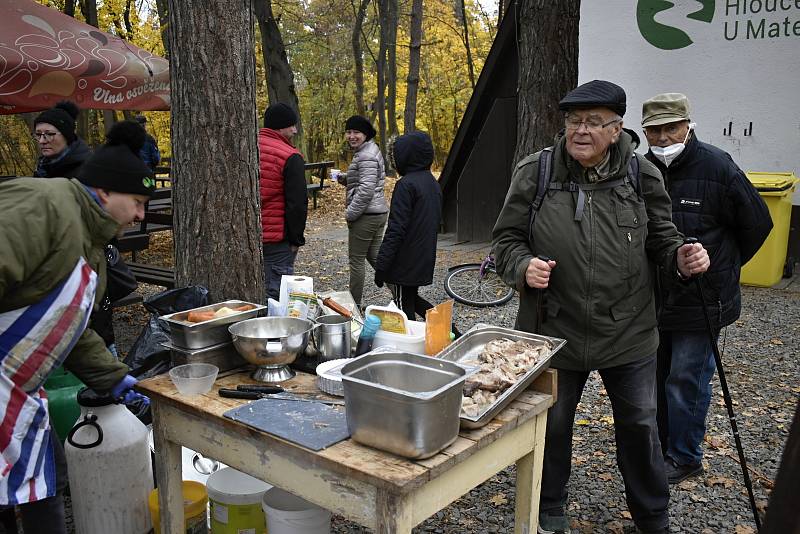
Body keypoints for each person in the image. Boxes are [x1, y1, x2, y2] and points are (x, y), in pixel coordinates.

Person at [492, 80, 710, 534]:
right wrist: (522, 266)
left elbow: (662, 240)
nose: (581, 131)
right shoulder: (537, 172)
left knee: (640, 425)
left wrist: (681, 259)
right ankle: (548, 506)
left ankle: (652, 517)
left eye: (593, 122)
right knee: (550, 424)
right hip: (553, 330)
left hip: (628, 330)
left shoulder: (641, 175)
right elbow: (505, 240)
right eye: (574, 121)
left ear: (617, 129)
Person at [0, 133, 155, 532]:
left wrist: (115, 377)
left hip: (17, 393)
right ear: (104, 191)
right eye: (137, 203)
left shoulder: (91, 239)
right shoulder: (43, 207)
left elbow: (65, 324)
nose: (140, 216)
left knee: (43, 484)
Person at [641, 93, 772, 484]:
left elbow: (757, 224)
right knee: (656, 376)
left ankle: (684, 456)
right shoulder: (642, 170)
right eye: (655, 130)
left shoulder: (717, 166)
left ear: (688, 125)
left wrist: (722, 267)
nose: (663, 138)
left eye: (671, 128)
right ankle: (663, 447)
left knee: (686, 378)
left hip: (703, 298)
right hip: (657, 297)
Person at [374, 131, 442, 321]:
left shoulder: (406, 185)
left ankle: (411, 344)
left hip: (405, 261)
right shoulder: (432, 183)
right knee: (411, 298)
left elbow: (396, 229)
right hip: (423, 255)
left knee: (403, 307)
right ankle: (449, 329)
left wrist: (382, 266)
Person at [258, 103, 308, 301]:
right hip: (277, 239)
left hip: (246, 236)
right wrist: (296, 239)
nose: (295, 130)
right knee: (276, 294)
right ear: (279, 127)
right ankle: (273, 330)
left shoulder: (245, 147)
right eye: (291, 126)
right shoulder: (290, 156)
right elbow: (297, 203)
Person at [339, 115, 388, 308]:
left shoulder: (365, 155)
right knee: (374, 257)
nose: (352, 136)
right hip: (377, 213)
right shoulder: (368, 150)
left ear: (365, 134)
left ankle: (353, 307)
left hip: (366, 216)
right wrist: (345, 178)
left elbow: (366, 190)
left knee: (356, 261)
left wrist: (350, 213)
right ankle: (399, 290)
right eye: (349, 132)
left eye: (356, 132)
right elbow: (367, 181)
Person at [32, 100, 90, 179]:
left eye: (49, 134)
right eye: (38, 135)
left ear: (67, 136)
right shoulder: (42, 167)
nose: (41, 141)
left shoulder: (88, 171)